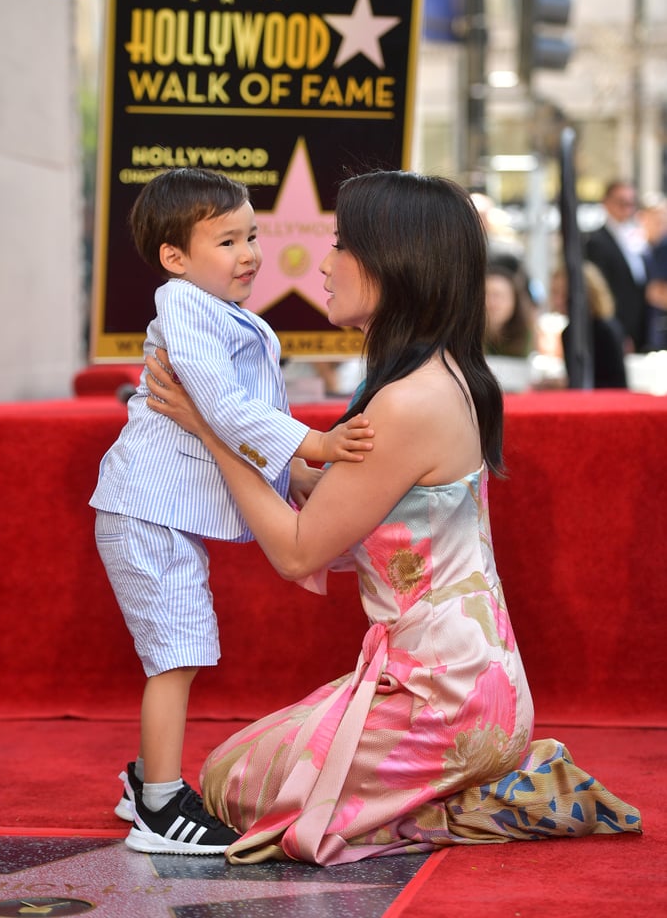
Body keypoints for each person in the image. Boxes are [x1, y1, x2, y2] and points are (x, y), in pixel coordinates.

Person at [144, 169, 641, 866]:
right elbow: (341, 505)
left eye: (343, 245)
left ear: (394, 264)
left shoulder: (407, 401)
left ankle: (470, 802)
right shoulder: (438, 377)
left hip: (443, 703)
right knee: (234, 766)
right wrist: (265, 449)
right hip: (466, 686)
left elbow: (296, 551)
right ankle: (465, 788)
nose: (322, 262)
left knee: (230, 784)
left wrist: (209, 430)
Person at [89, 167, 374, 856]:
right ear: (175, 258)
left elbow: (246, 416)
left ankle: (144, 786)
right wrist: (313, 442)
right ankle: (158, 805)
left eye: (252, 235)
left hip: (159, 510)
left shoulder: (222, 309)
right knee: (177, 652)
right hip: (144, 510)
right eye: (228, 240)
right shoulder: (183, 304)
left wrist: (300, 471)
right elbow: (222, 406)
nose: (249, 253)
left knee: (180, 648)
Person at [584, 180, 647, 352]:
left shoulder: (636, 237)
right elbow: (602, 292)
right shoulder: (597, 242)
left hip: (640, 327)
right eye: (621, 202)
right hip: (619, 329)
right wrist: (619, 332)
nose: (626, 209)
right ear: (606, 203)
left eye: (630, 203)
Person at [549, 260, 627, 388]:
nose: (558, 300)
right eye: (555, 293)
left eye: (563, 294)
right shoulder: (568, 333)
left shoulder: (606, 330)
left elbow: (617, 383)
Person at [484, 261, 537, 358]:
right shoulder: (466, 335)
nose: (493, 303)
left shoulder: (525, 334)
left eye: (499, 296)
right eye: (487, 295)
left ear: (514, 301)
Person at [638, 194, 667, 351]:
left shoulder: (664, 248)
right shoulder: (642, 248)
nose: (660, 223)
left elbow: (655, 293)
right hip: (649, 328)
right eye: (656, 218)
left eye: (663, 218)